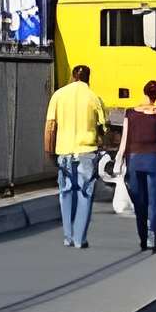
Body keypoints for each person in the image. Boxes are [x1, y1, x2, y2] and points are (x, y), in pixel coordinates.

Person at [46, 63, 108, 248]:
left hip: (64, 150)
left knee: (65, 193)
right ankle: (80, 238)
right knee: (84, 194)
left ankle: (67, 236)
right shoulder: (94, 97)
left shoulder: (58, 95)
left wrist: (49, 151)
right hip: (86, 151)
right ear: (89, 77)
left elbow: (50, 125)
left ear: (73, 76)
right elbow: (103, 127)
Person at [118, 80, 156, 252]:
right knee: (154, 201)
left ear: (144, 92)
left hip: (134, 159)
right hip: (153, 159)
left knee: (139, 201)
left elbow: (124, 139)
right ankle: (153, 235)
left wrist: (119, 160)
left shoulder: (130, 113)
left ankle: (142, 236)